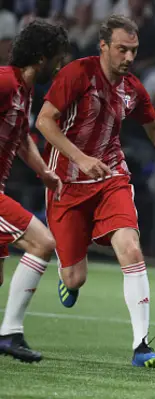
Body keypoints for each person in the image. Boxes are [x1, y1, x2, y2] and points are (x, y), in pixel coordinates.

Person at [35, 15, 155, 368]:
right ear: (103, 46)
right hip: (66, 182)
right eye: (122, 49)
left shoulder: (132, 88)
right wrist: (80, 157)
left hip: (111, 176)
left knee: (131, 248)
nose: (129, 57)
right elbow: (44, 120)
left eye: (134, 50)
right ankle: (68, 276)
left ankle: (141, 346)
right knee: (75, 277)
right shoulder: (76, 74)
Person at [0, 20, 68, 363]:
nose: (58, 67)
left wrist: (43, 172)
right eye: (56, 59)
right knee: (43, 242)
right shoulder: (4, 81)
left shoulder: (23, 91)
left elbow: (21, 136)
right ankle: (10, 334)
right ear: (41, 58)